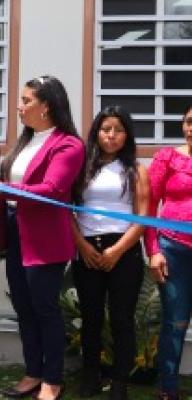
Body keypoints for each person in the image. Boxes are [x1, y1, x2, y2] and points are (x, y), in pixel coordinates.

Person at [0, 75, 84, 400]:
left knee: (45, 309)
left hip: (46, 238)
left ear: (47, 106)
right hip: (16, 232)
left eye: (26, 101)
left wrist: (6, 189)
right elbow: (12, 187)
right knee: (24, 308)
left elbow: (52, 190)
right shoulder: (25, 141)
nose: (19, 106)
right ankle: (33, 371)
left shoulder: (69, 144)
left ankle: (52, 379)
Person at [70, 106, 148, 400]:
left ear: (126, 135)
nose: (111, 135)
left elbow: (142, 218)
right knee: (90, 319)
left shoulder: (136, 170)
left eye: (118, 130)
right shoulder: (82, 168)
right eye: (105, 129)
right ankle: (90, 378)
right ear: (96, 133)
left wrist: (116, 250)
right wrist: (81, 245)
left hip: (124, 251)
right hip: (88, 249)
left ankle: (119, 383)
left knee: (121, 320)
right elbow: (69, 212)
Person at [146, 104, 192, 400]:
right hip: (173, 250)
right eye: (188, 121)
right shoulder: (168, 157)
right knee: (175, 322)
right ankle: (168, 389)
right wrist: (153, 250)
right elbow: (148, 208)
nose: (191, 128)